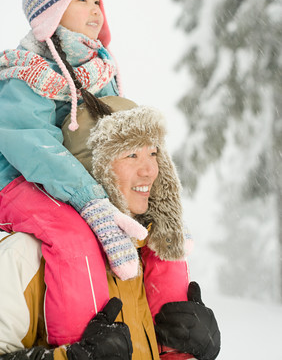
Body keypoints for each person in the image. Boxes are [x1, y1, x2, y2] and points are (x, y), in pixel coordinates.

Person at [0, 95, 221, 360]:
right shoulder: (25, 255)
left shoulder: (146, 251)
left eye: (153, 152)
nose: (150, 170)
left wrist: (196, 350)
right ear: (92, 167)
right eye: (132, 154)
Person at [0, 0, 147, 346]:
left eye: (97, 0)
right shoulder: (28, 70)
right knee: (73, 236)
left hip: (75, 180)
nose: (95, 9)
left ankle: (175, 342)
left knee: (158, 230)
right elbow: (31, 144)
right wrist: (89, 199)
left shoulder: (99, 68)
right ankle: (84, 345)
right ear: (50, 13)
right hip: (17, 182)